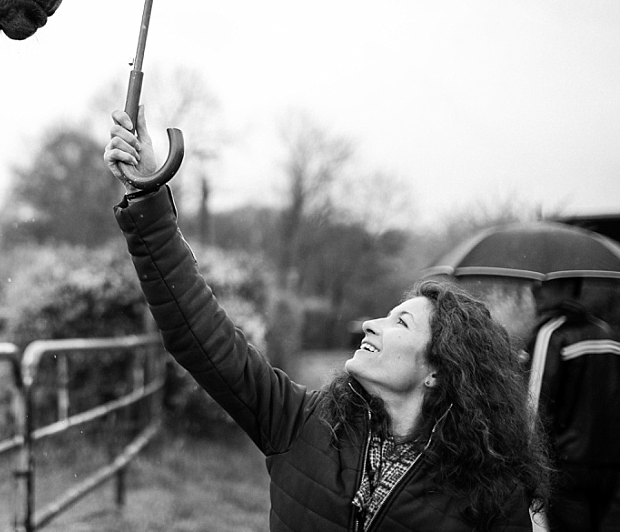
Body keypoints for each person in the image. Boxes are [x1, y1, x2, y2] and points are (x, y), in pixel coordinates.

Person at [104, 108, 550, 532]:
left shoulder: (490, 492)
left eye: (402, 324)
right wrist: (147, 194)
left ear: (437, 370)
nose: (373, 325)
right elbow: (197, 330)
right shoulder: (301, 422)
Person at [526, 278, 620, 531]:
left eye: (542, 282)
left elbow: (534, 406)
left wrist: (525, 462)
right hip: (609, 467)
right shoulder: (608, 334)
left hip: (564, 468)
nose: (534, 289)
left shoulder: (551, 334)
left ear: (567, 285)